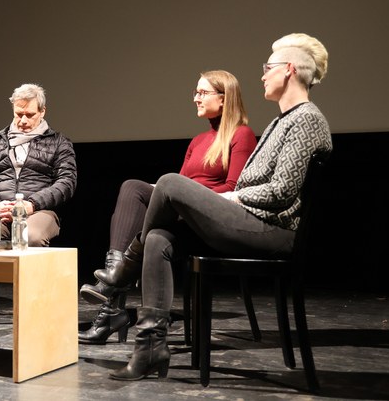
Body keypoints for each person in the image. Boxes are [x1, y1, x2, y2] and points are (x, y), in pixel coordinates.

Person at [99, 32, 333, 381]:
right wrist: (230, 200)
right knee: (159, 238)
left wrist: (230, 198)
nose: (262, 75)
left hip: (273, 231)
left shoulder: (306, 119)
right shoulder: (279, 122)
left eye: (268, 68)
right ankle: (150, 346)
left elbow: (281, 192)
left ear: (288, 70)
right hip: (250, 221)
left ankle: (121, 274)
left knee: (169, 182)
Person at [78, 70, 257, 345]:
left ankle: (110, 301)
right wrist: (167, 191)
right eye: (195, 92)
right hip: (180, 209)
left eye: (203, 93)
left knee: (144, 202)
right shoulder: (198, 141)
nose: (196, 98)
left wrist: (191, 195)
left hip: (207, 218)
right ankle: (114, 282)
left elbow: (235, 190)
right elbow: (182, 182)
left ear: (224, 98)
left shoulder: (241, 135)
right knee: (132, 188)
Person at [0, 83, 77, 248]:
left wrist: (32, 204)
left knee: (31, 236)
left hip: (38, 211)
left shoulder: (58, 143)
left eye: (30, 115)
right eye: (19, 114)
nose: (23, 120)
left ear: (42, 111)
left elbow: (66, 182)